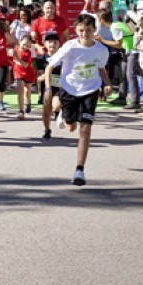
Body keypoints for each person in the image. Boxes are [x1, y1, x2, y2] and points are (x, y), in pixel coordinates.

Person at [44, 14, 111, 186]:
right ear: (76, 31)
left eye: (89, 30)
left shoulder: (101, 50)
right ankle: (64, 116)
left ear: (94, 30)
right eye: (81, 30)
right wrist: (48, 89)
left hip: (90, 90)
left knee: (85, 129)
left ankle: (79, 169)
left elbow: (101, 68)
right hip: (69, 89)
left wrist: (107, 83)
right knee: (71, 127)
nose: (85, 34)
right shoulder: (69, 47)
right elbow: (50, 66)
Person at [35, 33, 63, 139]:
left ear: (59, 44)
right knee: (46, 111)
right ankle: (47, 129)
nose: (52, 44)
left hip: (59, 87)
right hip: (46, 88)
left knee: (56, 105)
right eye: (50, 41)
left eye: (55, 41)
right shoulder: (41, 59)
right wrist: (41, 77)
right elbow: (37, 77)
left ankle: (58, 113)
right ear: (45, 44)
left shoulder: (63, 58)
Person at [11, 35, 36, 120]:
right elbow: (10, 57)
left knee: (27, 91)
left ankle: (28, 103)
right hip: (18, 73)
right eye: (24, 44)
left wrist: (17, 58)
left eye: (27, 45)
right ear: (20, 41)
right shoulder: (16, 49)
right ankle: (21, 110)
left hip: (28, 73)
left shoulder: (27, 52)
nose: (25, 46)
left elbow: (25, 65)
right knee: (20, 90)